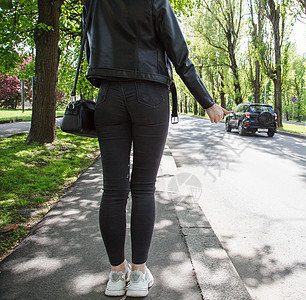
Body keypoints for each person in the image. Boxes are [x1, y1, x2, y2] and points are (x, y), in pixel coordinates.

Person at [83, 0, 229, 297]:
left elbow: (90, 46)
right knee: (143, 188)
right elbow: (180, 55)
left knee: (112, 190)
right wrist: (207, 102)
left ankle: (115, 274)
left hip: (108, 94)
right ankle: (138, 275)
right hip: (150, 94)